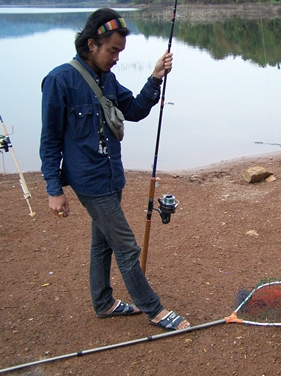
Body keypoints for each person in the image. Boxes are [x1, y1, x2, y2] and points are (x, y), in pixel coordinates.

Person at [40, 8, 190, 331]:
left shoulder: (107, 79)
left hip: (113, 177)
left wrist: (154, 78)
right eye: (113, 50)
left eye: (120, 52)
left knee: (103, 242)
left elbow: (134, 109)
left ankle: (104, 302)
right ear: (92, 43)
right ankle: (155, 310)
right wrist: (54, 188)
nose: (117, 58)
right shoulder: (59, 80)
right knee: (125, 244)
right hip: (89, 182)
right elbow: (50, 140)